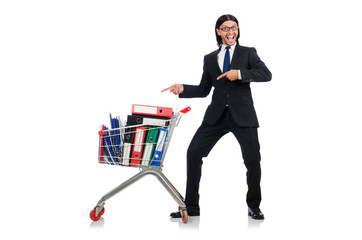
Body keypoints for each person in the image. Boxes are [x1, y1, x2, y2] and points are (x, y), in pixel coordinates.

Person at [162, 14, 272, 220]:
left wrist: (239, 74)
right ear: (218, 31)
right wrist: (183, 88)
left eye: (234, 28)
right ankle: (191, 206)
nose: (231, 32)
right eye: (226, 28)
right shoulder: (210, 58)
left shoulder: (248, 53)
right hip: (216, 116)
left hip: (243, 116)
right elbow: (204, 89)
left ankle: (254, 206)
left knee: (253, 161)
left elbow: (266, 74)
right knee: (193, 153)